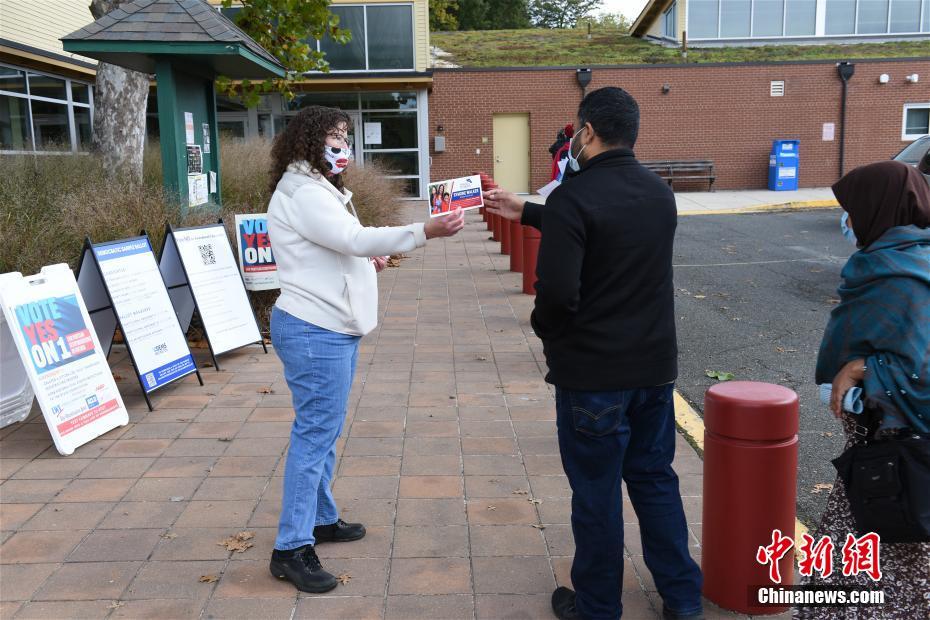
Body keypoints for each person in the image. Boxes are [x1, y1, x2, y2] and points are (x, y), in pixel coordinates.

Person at [485, 87, 703, 620]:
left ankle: (598, 606)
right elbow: (610, 229)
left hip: (593, 377)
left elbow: (558, 293)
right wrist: (527, 210)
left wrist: (545, 331)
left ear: (586, 131)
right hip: (655, 371)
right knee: (655, 480)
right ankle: (683, 598)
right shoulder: (658, 193)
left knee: (597, 494)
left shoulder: (574, 197)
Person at [265, 106, 465, 593]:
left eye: (346, 138)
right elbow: (351, 238)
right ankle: (291, 548)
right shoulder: (305, 191)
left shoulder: (316, 186)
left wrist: (365, 261)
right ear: (311, 141)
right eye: (336, 138)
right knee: (315, 435)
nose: (344, 148)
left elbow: (333, 250)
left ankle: (320, 518)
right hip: (316, 330)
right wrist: (423, 231)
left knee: (323, 431)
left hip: (327, 326)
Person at [795, 160, 930, 619]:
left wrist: (863, 367)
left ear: (878, 209)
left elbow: (922, 373)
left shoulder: (899, 278)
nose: (848, 221)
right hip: (875, 461)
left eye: (853, 210)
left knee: (872, 582)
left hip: (895, 467)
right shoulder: (904, 260)